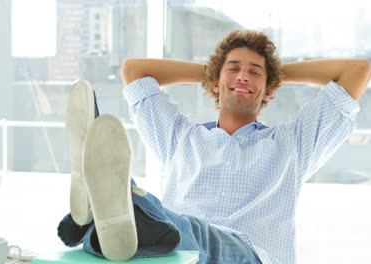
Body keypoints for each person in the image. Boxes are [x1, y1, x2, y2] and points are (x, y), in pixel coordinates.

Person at [57, 29, 371, 264]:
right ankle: (110, 220)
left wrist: (274, 74)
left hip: (246, 254)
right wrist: (217, 73)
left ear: (269, 91)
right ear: (215, 84)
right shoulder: (181, 137)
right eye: (234, 68)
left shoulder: (293, 144)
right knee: (144, 211)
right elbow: (134, 70)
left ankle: (101, 215)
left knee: (174, 222)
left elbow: (357, 72)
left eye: (254, 72)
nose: (243, 76)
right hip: (175, 248)